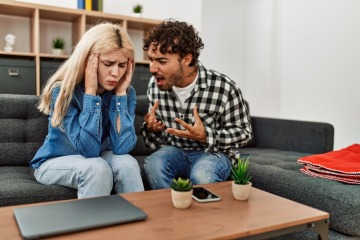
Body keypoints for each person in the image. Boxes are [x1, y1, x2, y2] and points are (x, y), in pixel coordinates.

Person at [30, 22, 144, 198]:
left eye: (122, 65)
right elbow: (89, 150)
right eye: (108, 63)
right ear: (88, 60)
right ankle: (92, 226)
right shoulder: (63, 91)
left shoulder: (126, 93)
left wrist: (120, 96)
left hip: (97, 158)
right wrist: (90, 95)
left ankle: (139, 224)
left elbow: (122, 147)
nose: (115, 72)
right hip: (54, 161)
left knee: (127, 164)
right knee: (97, 168)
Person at [141, 19, 253, 190]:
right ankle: (173, 211)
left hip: (212, 153)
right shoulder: (154, 86)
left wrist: (206, 136)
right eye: (151, 59)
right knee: (153, 165)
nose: (152, 68)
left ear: (186, 59)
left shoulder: (223, 87)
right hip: (174, 151)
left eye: (162, 61)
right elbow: (153, 143)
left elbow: (243, 133)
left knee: (202, 175)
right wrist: (152, 129)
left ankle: (203, 216)